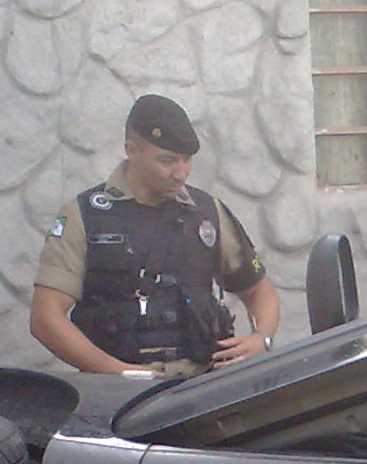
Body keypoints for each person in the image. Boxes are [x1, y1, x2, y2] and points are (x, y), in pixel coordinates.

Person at [32, 94, 278, 381]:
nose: (180, 173)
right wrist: (121, 373)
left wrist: (262, 339)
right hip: (113, 390)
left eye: (186, 161)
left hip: (200, 385)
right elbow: (45, 318)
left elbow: (259, 291)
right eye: (167, 161)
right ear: (131, 150)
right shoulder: (84, 215)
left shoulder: (206, 212)